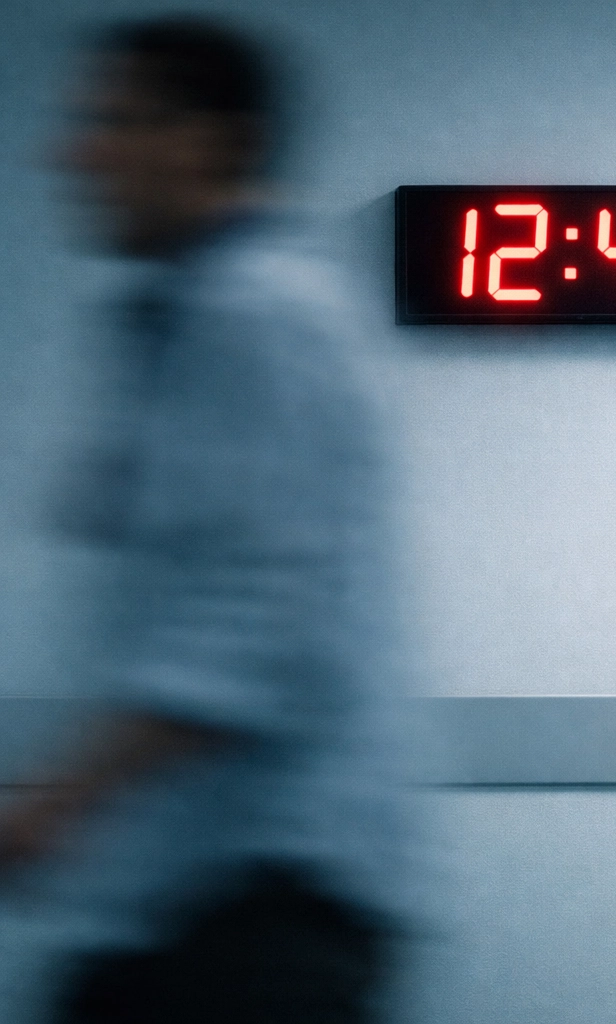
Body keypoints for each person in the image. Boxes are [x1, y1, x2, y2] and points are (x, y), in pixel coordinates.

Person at [0, 17, 412, 1024]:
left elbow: (252, 611)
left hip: (260, 905)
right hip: (193, 900)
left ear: (209, 141)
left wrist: (59, 801)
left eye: (112, 123)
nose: (74, 154)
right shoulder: (198, 317)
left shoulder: (257, 312)